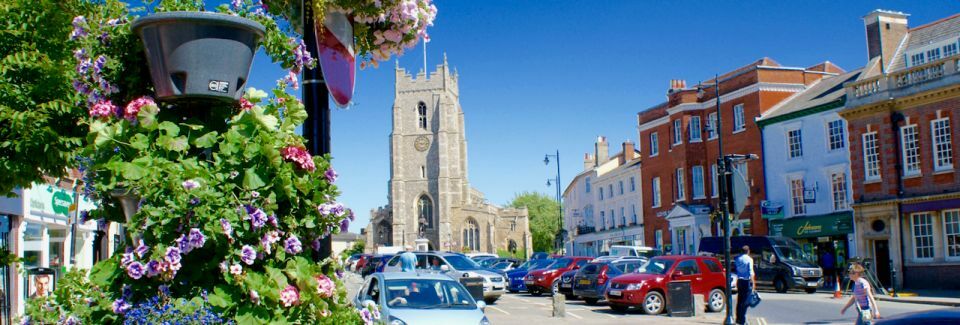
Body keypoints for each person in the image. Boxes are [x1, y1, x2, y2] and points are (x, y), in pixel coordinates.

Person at [734, 245, 756, 325]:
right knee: (746, 302)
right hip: (747, 281)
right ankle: (742, 319)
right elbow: (751, 272)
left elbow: (736, 269)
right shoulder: (749, 259)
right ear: (748, 251)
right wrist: (753, 284)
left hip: (739, 281)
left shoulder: (737, 259)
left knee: (739, 300)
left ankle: (738, 318)